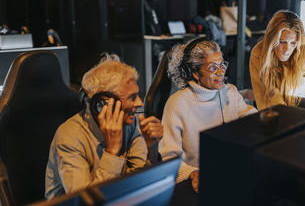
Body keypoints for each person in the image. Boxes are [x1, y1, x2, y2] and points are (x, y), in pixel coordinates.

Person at [45, 53, 163, 199]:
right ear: (104, 104)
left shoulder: (129, 124)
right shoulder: (69, 138)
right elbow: (86, 202)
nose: (140, 103)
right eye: (132, 97)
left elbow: (138, 183)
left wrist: (151, 147)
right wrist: (112, 151)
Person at [159, 38, 257, 193]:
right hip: (197, 180)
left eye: (222, 65)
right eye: (212, 68)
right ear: (194, 73)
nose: (220, 73)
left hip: (230, 175)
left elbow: (251, 120)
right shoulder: (178, 104)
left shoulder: (230, 93)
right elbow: (169, 157)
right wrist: (192, 173)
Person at [249, 10, 305, 110]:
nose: (287, 49)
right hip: (280, 116)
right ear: (271, 39)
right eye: (282, 42)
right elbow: (264, 99)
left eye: (293, 43)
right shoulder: (259, 54)